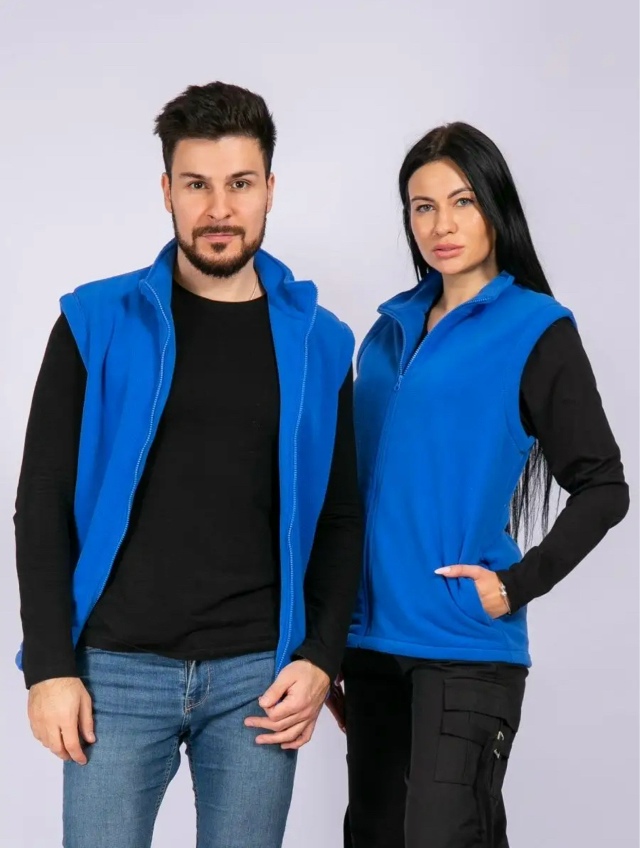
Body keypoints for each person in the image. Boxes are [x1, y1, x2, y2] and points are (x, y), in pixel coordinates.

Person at [14, 81, 362, 848]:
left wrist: (320, 657)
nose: (219, 209)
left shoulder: (321, 340)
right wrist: (49, 667)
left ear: (270, 188)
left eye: (240, 184)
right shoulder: (94, 320)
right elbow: (41, 500)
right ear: (167, 190)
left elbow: (341, 516)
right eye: (197, 185)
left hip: (256, 678)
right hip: (113, 671)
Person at [328, 121, 629, 848]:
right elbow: (353, 491)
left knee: (445, 835)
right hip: (367, 647)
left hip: (464, 648)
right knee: (373, 837)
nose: (442, 225)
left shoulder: (536, 328)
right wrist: (328, 636)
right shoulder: (388, 330)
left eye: (461, 201)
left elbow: (604, 485)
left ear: (495, 206)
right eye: (423, 206)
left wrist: (513, 586)